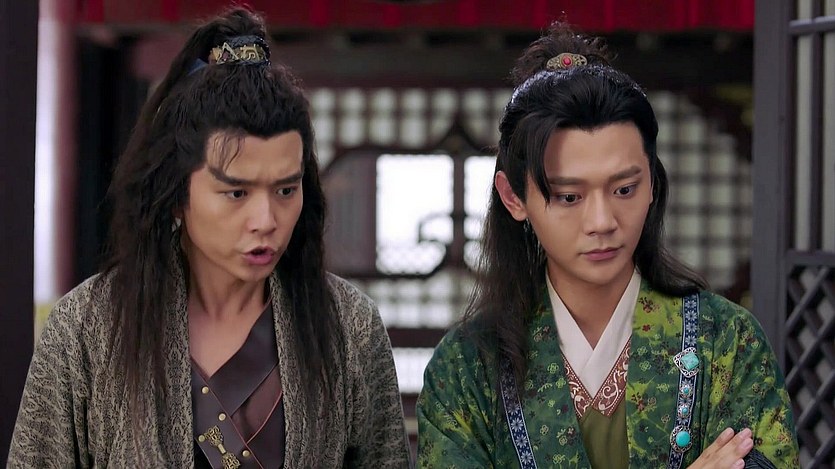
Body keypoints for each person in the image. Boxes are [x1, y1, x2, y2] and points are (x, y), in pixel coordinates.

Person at [9, 8, 410, 468]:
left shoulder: (348, 326)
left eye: (285, 190)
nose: (266, 220)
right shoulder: (86, 328)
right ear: (177, 194)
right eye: (236, 192)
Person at [416, 23, 799, 469]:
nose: (602, 222)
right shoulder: (467, 367)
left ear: (652, 183)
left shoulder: (727, 341)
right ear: (513, 197)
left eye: (624, 189)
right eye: (569, 197)